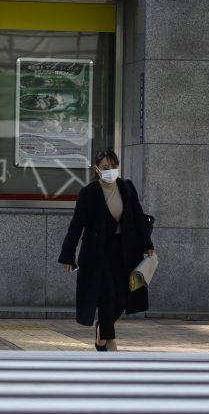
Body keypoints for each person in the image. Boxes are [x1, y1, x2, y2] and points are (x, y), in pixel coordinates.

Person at [58, 148, 155, 351]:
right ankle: (109, 342)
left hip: (125, 251)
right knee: (107, 296)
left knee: (122, 297)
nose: (110, 170)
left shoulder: (127, 188)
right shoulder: (88, 193)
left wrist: (148, 245)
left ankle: (102, 330)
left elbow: (138, 216)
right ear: (97, 169)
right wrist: (68, 255)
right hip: (98, 254)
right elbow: (76, 226)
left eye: (113, 167)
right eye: (105, 167)